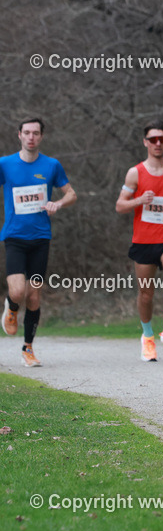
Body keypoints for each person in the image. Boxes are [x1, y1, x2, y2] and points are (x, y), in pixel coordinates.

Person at [0, 118, 77, 366]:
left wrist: (58, 203)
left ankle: (28, 349)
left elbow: (72, 194)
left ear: (41, 136)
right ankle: (11, 308)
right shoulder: (5, 164)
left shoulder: (51, 166)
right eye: (27, 132)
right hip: (14, 237)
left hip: (41, 238)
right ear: (19, 135)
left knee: (34, 296)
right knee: (18, 291)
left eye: (35, 133)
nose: (31, 137)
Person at [115, 120, 163, 361]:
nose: (158, 143)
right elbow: (120, 205)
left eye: (162, 139)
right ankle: (147, 337)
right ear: (145, 142)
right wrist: (139, 200)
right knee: (146, 293)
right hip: (144, 240)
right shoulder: (135, 172)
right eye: (153, 139)